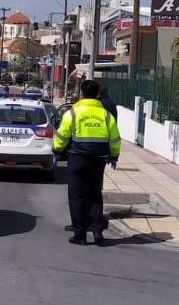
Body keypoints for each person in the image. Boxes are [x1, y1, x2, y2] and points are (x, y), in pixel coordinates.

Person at [53, 80, 121, 246]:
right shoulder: (106, 115)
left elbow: (62, 135)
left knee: (77, 196)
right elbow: (115, 139)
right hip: (98, 160)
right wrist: (114, 156)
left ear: (81, 94)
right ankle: (97, 231)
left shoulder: (72, 113)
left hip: (77, 159)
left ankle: (80, 235)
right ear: (97, 95)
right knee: (95, 194)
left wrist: (57, 149)